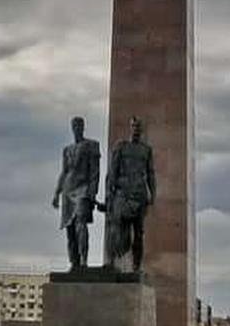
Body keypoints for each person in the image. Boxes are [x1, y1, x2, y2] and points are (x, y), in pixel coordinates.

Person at [104, 116, 156, 271]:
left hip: (139, 195)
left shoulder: (146, 150)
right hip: (122, 192)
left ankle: (136, 265)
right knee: (116, 227)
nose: (136, 129)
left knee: (138, 232)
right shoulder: (121, 146)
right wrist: (109, 193)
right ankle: (111, 260)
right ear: (130, 127)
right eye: (134, 126)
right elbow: (112, 171)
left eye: (139, 127)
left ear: (141, 130)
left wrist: (153, 193)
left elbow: (150, 173)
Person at [52, 116, 100, 269]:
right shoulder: (67, 150)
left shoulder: (91, 145)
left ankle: (84, 260)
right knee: (70, 229)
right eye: (74, 125)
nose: (76, 128)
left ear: (83, 127)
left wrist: (92, 193)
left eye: (79, 125)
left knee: (81, 224)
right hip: (68, 190)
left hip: (83, 190)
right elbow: (64, 172)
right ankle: (74, 262)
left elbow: (95, 172)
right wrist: (56, 193)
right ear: (72, 128)